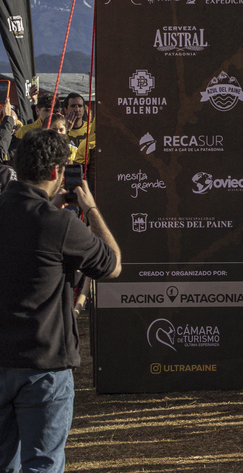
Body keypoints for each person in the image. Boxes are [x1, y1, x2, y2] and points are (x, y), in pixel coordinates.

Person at [1, 130, 121, 472]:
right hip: (44, 365)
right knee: (43, 464)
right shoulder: (59, 224)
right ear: (56, 171)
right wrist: (90, 208)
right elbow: (112, 264)